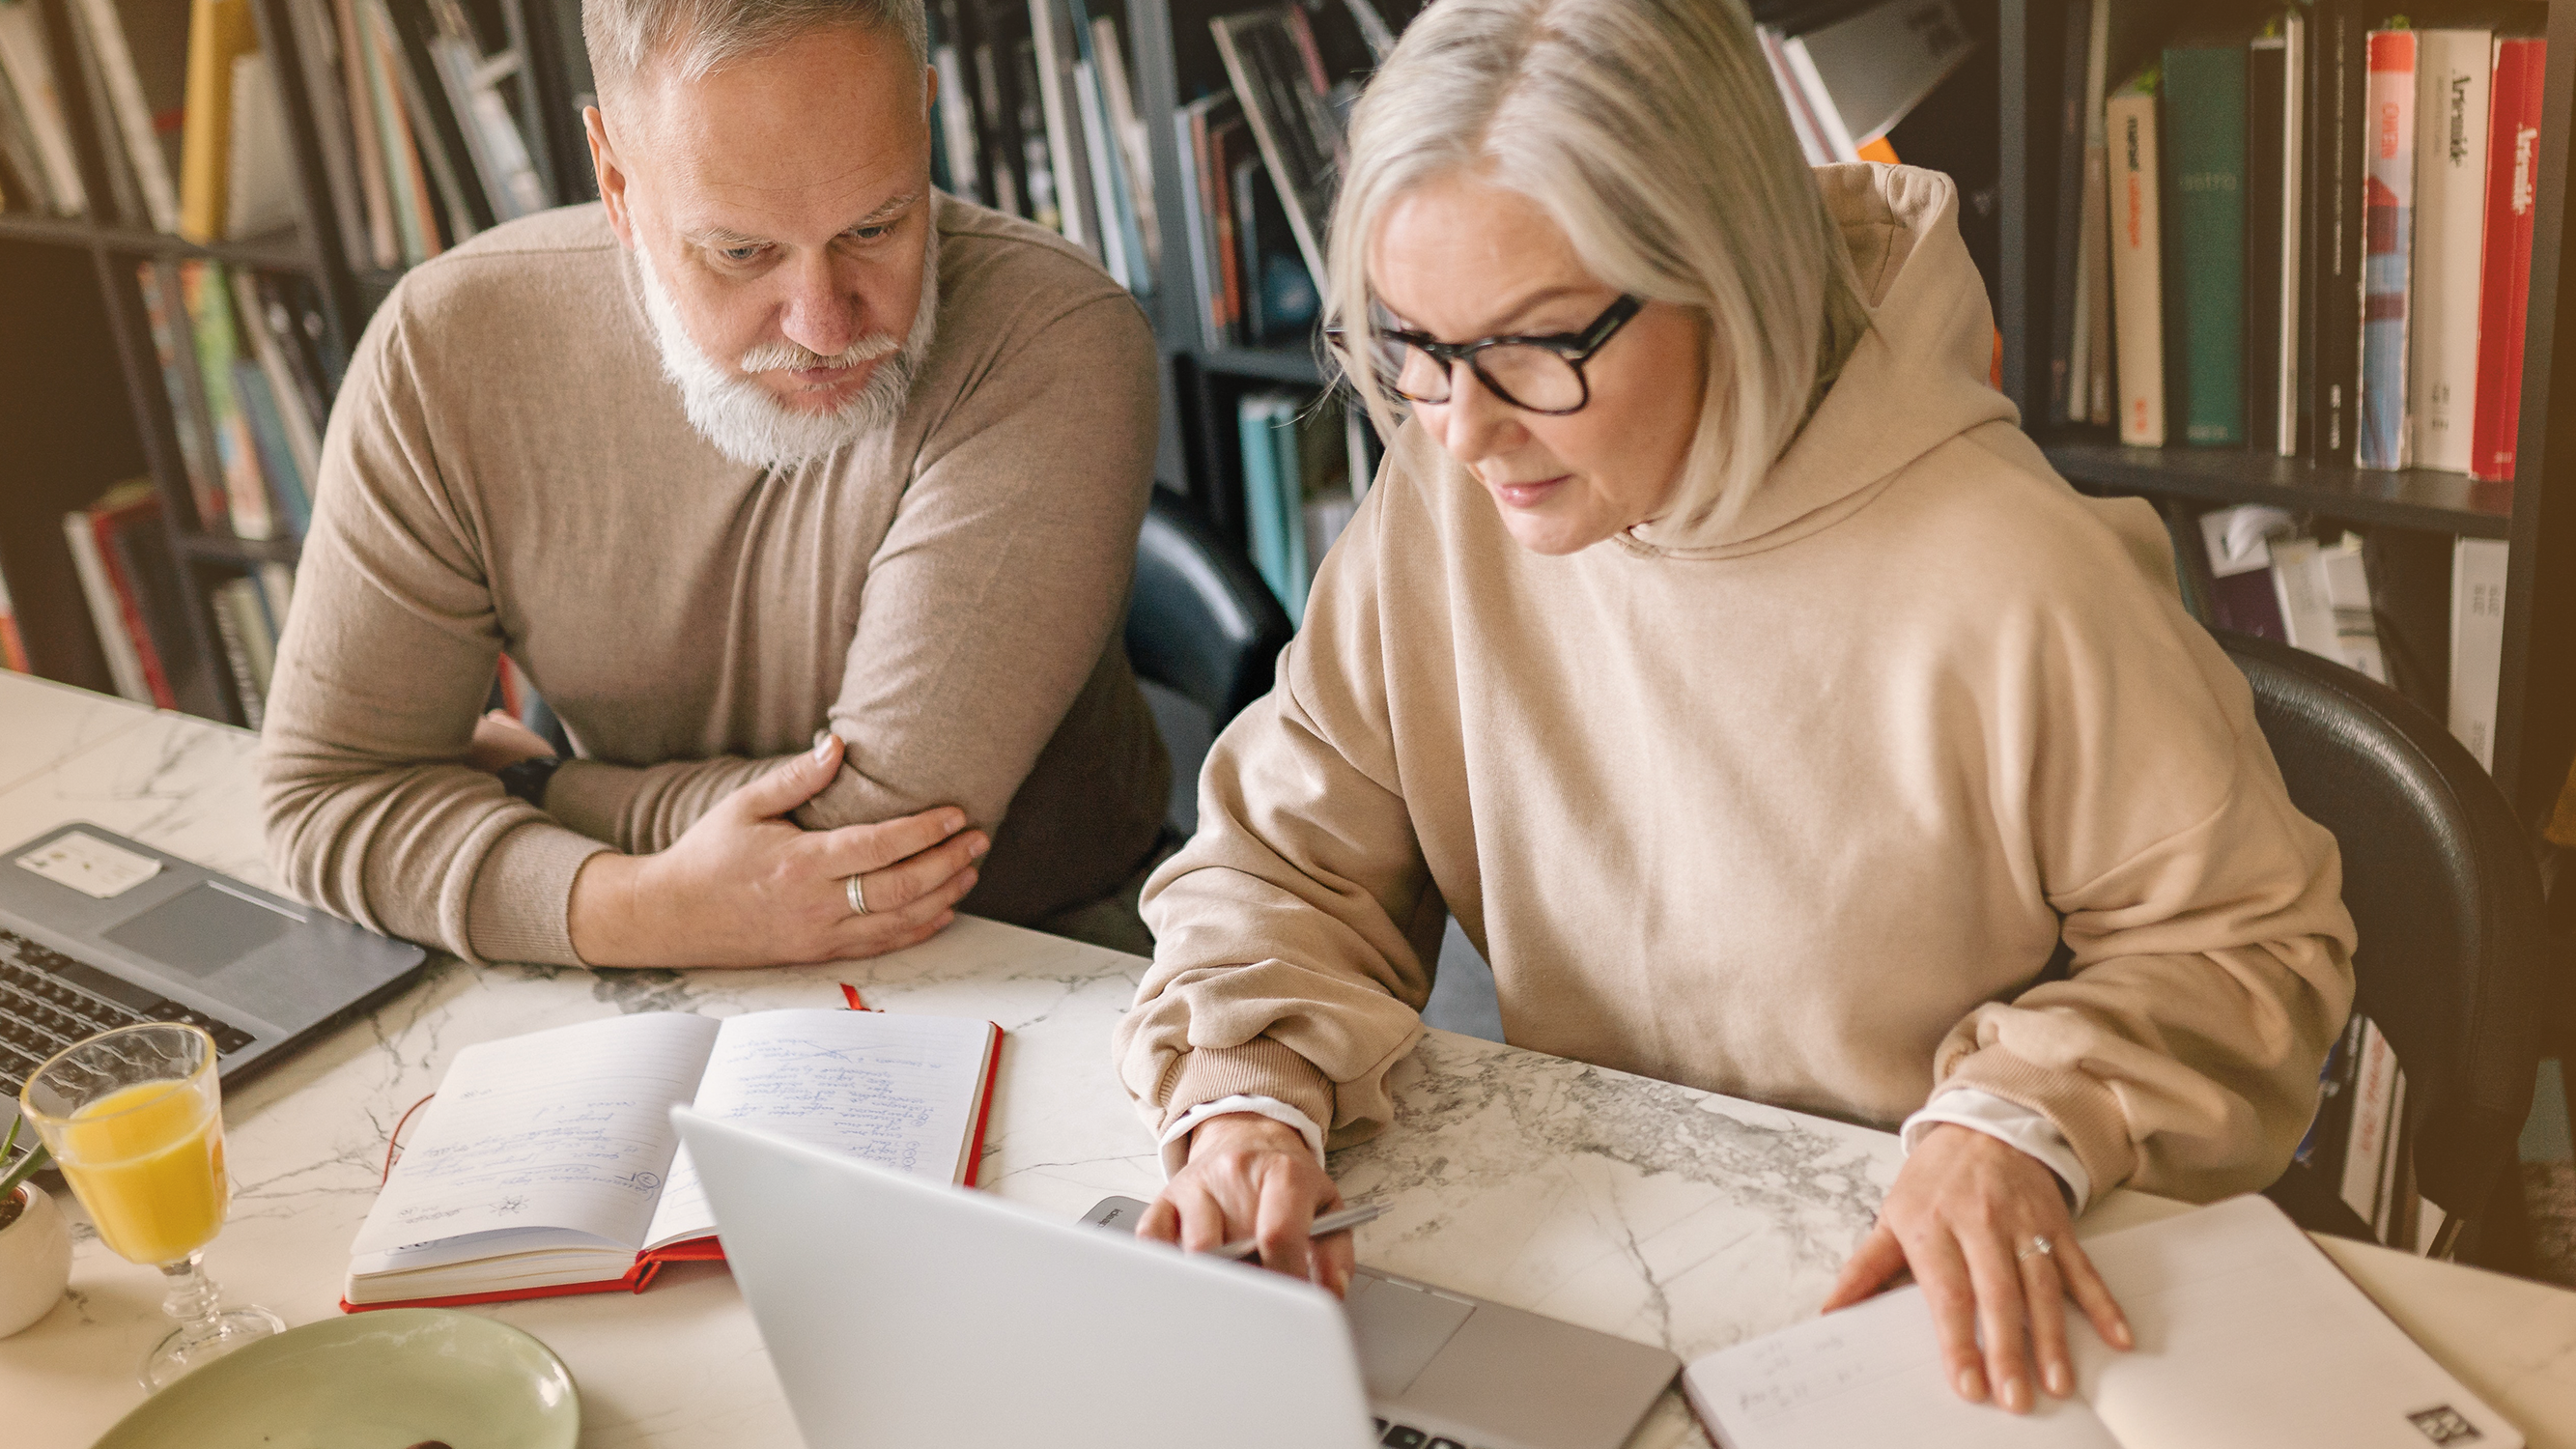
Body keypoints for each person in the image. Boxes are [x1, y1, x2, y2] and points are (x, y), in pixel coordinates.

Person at [1116, 0, 2356, 1418]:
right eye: (1408, 344)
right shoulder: (1447, 486)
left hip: (1918, 1301)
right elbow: (1288, 853)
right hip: (1608, 1266)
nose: (1463, 428)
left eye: (1533, 347)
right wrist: (1245, 1091)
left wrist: (2019, 1119)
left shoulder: (2012, 574)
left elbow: (2248, 944)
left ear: (1723, 275)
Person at [260, 0, 1169, 970]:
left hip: (1043, 954)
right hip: (632, 964)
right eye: (741, 252)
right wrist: (638, 908)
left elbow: (879, 840)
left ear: (924, 119)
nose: (825, 326)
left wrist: (540, 787)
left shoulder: (1054, 335)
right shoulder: (446, 350)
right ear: (615, 179)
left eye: (877, 224)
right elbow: (327, 795)